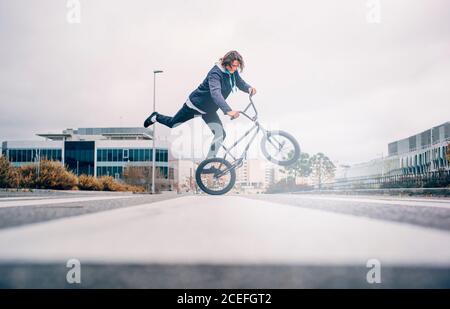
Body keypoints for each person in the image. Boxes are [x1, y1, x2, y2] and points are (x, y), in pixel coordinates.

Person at [143, 50, 256, 158]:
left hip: (209, 110)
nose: (235, 69)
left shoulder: (232, 71)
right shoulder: (215, 74)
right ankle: (156, 117)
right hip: (194, 106)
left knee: (220, 134)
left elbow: (239, 82)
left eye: (237, 66)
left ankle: (209, 161)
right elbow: (215, 93)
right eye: (233, 66)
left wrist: (249, 88)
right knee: (173, 124)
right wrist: (228, 110)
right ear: (226, 63)